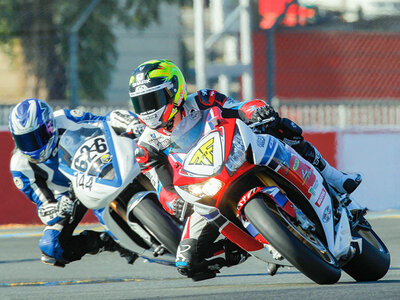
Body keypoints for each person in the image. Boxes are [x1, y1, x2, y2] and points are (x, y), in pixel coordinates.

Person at [128, 59, 362, 279]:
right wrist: (173, 202)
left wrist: (256, 111)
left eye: (153, 99)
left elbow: (237, 107)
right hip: (204, 190)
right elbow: (163, 188)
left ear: (174, 91)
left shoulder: (202, 100)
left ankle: (334, 178)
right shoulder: (146, 147)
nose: (148, 109)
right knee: (186, 263)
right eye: (141, 103)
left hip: (236, 155)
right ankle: (255, 244)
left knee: (282, 127)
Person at [9, 98, 144, 267]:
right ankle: (109, 242)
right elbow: (44, 205)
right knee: (51, 248)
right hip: (69, 196)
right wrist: (56, 209)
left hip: (98, 167)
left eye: (38, 136)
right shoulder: (20, 167)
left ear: (50, 125)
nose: (33, 145)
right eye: (25, 140)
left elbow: (103, 122)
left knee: (146, 150)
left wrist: (126, 122)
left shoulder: (65, 118)